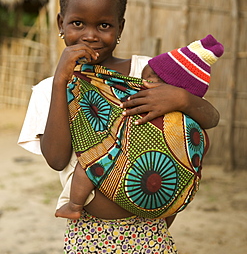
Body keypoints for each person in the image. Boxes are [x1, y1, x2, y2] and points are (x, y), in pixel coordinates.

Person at [18, 0, 220, 254]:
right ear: (61, 24)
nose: (90, 35)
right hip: (89, 237)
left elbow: (210, 119)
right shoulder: (49, 89)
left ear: (120, 27)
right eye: (77, 23)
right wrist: (61, 80)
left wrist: (180, 99)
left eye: (104, 25)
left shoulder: (146, 73)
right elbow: (56, 159)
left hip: (150, 232)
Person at [55, 34, 224, 221]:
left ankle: (74, 205)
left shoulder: (145, 95)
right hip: (161, 190)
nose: (142, 81)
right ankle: (167, 215)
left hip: (134, 175)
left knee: (92, 158)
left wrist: (182, 100)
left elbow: (212, 118)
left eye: (149, 77)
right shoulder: (189, 116)